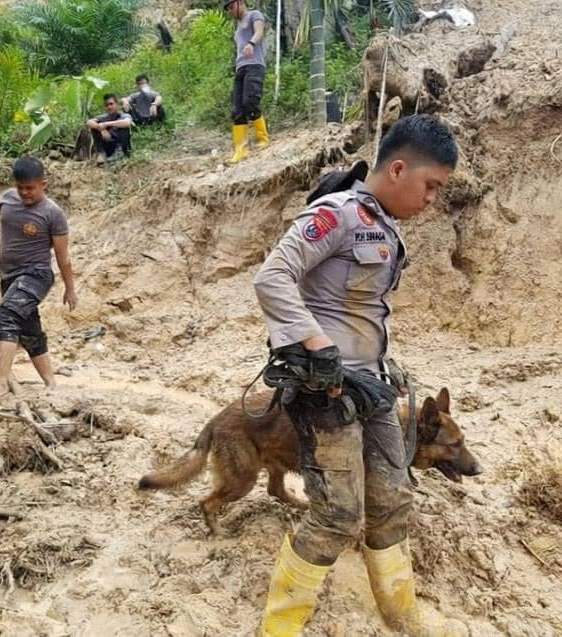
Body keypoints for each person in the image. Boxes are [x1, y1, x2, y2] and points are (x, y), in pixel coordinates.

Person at [253, 115, 468, 637]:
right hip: (325, 391)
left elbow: (362, 309)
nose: (432, 199)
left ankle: (402, 616)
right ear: (398, 168)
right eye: (431, 186)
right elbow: (272, 277)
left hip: (370, 386)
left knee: (393, 498)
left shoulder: (383, 223)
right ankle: (278, 629)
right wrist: (319, 345)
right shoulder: (338, 214)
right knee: (337, 515)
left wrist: (381, 360)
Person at [0, 156, 77, 401]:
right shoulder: (7, 198)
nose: (25, 193)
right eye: (21, 188)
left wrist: (70, 288)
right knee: (29, 330)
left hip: (36, 275)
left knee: (5, 319)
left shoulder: (52, 213)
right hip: (10, 276)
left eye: (31, 188)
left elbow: (63, 256)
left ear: (44, 184)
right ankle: (51, 384)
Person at [224, 0, 269, 163]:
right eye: (228, 9)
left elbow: (259, 31)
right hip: (240, 67)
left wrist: (251, 43)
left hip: (255, 65)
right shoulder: (237, 26)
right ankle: (240, 150)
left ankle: (263, 139)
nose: (229, 11)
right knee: (237, 109)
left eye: (231, 7)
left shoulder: (254, 15)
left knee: (250, 101)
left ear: (240, 3)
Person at [85, 94, 133, 165]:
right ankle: (101, 153)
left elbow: (127, 122)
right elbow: (89, 122)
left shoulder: (124, 115)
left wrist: (106, 124)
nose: (109, 107)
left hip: (122, 146)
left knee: (124, 127)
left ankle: (119, 153)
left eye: (111, 104)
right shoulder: (103, 117)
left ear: (116, 104)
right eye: (106, 105)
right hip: (108, 145)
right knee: (94, 127)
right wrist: (101, 129)